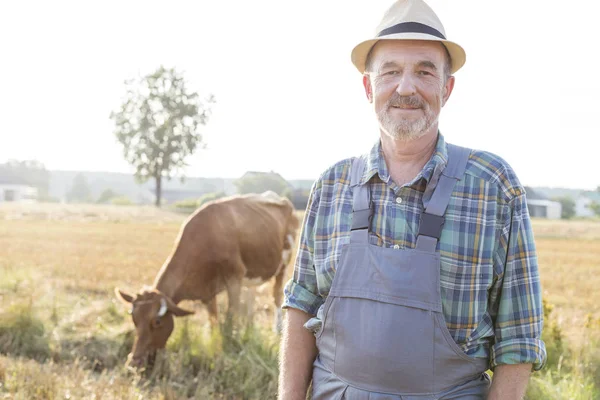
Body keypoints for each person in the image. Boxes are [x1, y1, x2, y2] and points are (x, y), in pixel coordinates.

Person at [277, 0, 547, 399]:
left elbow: (519, 340)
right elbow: (301, 305)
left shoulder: (493, 186)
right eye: (390, 72)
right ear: (369, 87)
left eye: (424, 71)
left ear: (446, 87)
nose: (406, 87)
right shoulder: (332, 185)